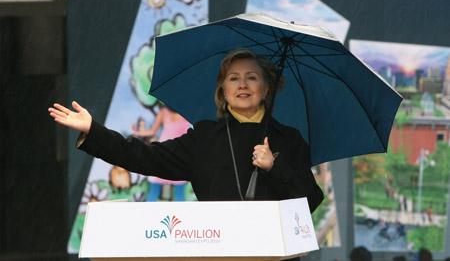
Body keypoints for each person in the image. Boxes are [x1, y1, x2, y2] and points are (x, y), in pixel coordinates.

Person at [48, 48, 324, 208]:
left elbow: (310, 199)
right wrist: (94, 130)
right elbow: (145, 157)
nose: (242, 85)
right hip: (220, 255)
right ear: (223, 90)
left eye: (252, 78)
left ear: (266, 89)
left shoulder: (288, 139)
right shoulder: (204, 137)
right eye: (233, 78)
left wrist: (274, 169)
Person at [132, 107, 190, 201]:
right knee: (154, 188)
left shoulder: (187, 110)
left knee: (180, 191)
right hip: (164, 151)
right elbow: (152, 131)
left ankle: (182, 215)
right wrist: (137, 132)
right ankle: (147, 215)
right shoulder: (164, 112)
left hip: (180, 154)